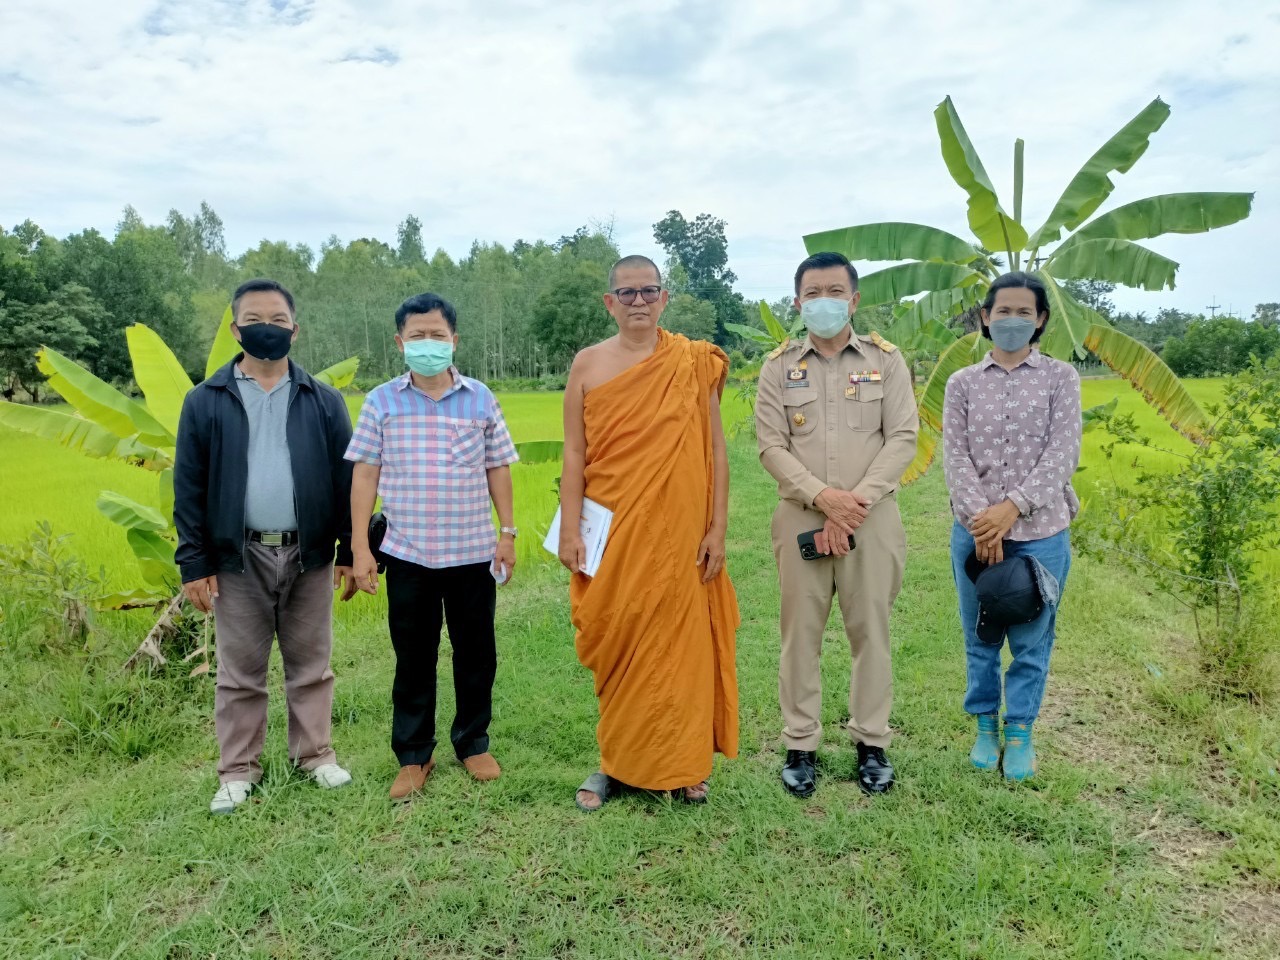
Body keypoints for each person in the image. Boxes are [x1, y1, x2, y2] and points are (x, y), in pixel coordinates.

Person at [560, 255, 740, 811]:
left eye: (648, 291)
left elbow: (715, 450)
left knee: (681, 645)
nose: (638, 301)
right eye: (627, 293)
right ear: (609, 303)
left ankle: (685, 767)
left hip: (683, 531)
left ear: (664, 299)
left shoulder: (691, 362)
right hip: (614, 532)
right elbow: (574, 453)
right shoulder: (588, 365)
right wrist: (569, 529)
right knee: (619, 638)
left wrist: (717, 529)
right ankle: (616, 764)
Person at [174, 278, 358, 815]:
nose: (267, 329)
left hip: (310, 553)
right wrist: (194, 563)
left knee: (311, 664)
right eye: (255, 320)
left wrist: (351, 551)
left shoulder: (323, 400)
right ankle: (238, 770)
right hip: (237, 556)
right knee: (239, 673)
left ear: (294, 330)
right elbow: (189, 486)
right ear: (236, 329)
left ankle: (314, 755)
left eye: (278, 320)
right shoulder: (206, 401)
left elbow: (346, 480)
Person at [755, 252, 918, 797]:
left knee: (870, 631)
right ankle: (800, 744)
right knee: (799, 635)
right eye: (812, 293)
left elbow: (902, 438)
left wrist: (853, 506)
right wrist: (825, 499)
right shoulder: (778, 367)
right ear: (798, 301)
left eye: (834, 291)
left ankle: (872, 742)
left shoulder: (885, 361)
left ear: (854, 299)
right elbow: (771, 446)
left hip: (871, 521)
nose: (823, 301)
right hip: (801, 518)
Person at [346, 292, 519, 802]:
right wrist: (359, 547)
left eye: (436, 335)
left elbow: (498, 467)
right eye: (417, 336)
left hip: (472, 553)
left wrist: (507, 533)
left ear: (454, 340)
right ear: (400, 343)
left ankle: (473, 742)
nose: (427, 344)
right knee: (413, 658)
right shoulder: (381, 401)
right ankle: (414, 754)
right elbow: (365, 474)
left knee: (477, 653)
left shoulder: (480, 398)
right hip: (407, 554)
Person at [942, 271, 1081, 781]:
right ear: (986, 316)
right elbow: (955, 456)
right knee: (980, 633)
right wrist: (984, 523)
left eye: (1025, 312)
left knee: (1031, 639)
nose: (1013, 319)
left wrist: (1013, 509)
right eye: (1003, 310)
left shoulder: (1061, 378)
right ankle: (985, 726)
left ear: (1040, 320)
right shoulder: (962, 383)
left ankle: (1019, 730)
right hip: (975, 531)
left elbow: (1062, 452)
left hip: (1042, 533)